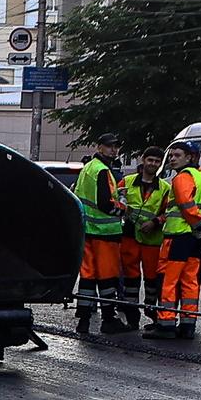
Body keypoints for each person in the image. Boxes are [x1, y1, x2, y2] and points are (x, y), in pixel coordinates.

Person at [146, 146, 201, 340]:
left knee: (168, 281)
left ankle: (166, 324)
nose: (172, 159)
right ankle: (188, 324)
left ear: (190, 157)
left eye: (177, 156)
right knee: (190, 282)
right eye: (170, 155)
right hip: (196, 239)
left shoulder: (182, 178)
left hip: (178, 236)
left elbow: (186, 205)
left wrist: (200, 224)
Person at [72, 136, 132, 335]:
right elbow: (105, 204)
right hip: (105, 233)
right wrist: (123, 207)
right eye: (110, 146)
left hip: (88, 230)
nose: (114, 150)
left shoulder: (88, 168)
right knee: (107, 276)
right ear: (99, 147)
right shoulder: (102, 170)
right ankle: (108, 318)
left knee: (88, 277)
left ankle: (84, 319)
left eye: (116, 146)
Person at [120, 147, 170, 322]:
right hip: (130, 236)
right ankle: (132, 315)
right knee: (130, 278)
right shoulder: (126, 182)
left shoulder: (165, 188)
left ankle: (150, 311)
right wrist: (124, 211)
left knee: (152, 279)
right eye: (150, 160)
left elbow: (170, 213)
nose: (153, 164)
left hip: (152, 239)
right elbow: (117, 201)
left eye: (157, 161)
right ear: (143, 160)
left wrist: (155, 222)